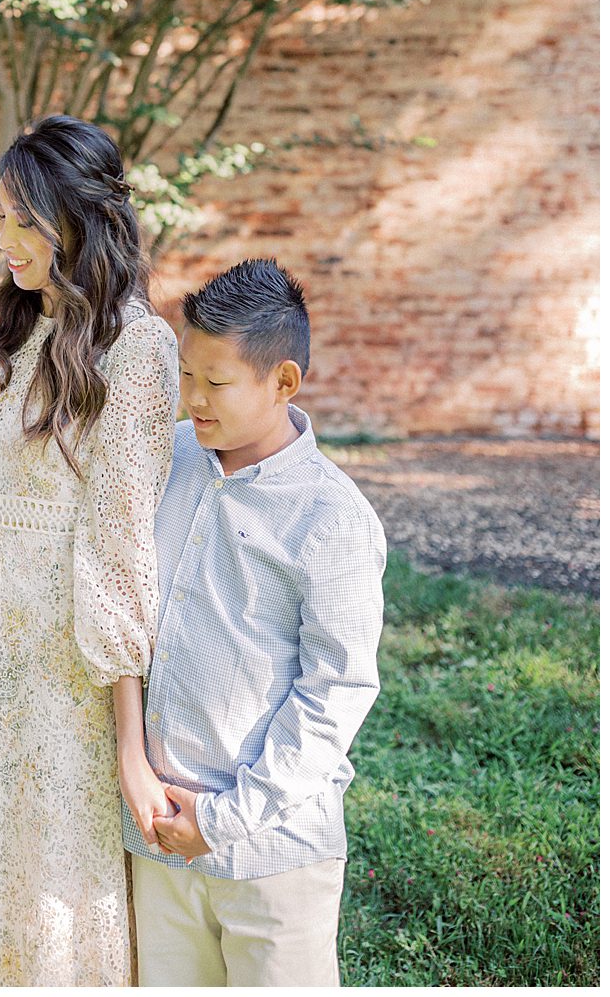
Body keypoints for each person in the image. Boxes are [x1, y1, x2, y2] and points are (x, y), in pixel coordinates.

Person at [0, 115, 180, 987]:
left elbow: (122, 545)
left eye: (28, 219)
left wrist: (130, 743)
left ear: (80, 218)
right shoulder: (6, 324)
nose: (9, 240)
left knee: (50, 880)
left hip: (65, 659)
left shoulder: (138, 346)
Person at [125, 259, 387, 988]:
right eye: (186, 377)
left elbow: (335, 691)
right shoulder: (167, 459)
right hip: (159, 837)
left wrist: (226, 819)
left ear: (284, 382)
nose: (194, 398)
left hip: (276, 853)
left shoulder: (331, 519)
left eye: (217, 382)